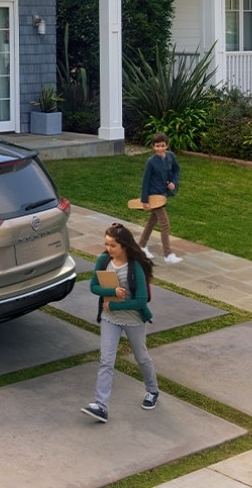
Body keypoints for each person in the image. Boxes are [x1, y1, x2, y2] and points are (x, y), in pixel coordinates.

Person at [81, 223, 159, 423]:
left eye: (112, 245)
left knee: (141, 357)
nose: (108, 249)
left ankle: (152, 390)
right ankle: (101, 406)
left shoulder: (136, 267)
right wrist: (111, 293)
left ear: (124, 245)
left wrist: (116, 305)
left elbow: (141, 300)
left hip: (133, 320)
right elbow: (93, 287)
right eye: (106, 244)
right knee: (106, 360)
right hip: (110, 319)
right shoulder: (103, 260)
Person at [138, 132, 182, 265]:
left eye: (162, 146)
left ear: (166, 146)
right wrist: (144, 200)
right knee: (165, 224)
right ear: (153, 147)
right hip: (154, 196)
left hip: (163, 194)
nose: (160, 148)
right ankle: (167, 254)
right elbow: (145, 181)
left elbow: (176, 170)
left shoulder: (170, 157)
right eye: (157, 146)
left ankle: (141, 246)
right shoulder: (151, 162)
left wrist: (173, 182)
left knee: (152, 222)